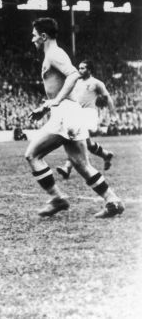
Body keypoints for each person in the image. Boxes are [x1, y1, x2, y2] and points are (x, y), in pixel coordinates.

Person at [24, 18, 123, 218]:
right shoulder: (52, 55)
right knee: (81, 163)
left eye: (34, 35)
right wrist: (45, 107)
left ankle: (57, 198)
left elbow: (73, 75)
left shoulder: (54, 54)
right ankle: (112, 201)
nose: (32, 39)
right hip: (70, 112)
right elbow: (59, 89)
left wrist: (56, 101)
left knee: (33, 155)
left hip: (65, 114)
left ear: (43, 36)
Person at [56, 59, 116, 178]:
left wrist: (113, 114)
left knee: (77, 139)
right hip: (77, 113)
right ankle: (106, 155)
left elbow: (107, 98)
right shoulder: (76, 82)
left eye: (83, 68)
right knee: (86, 143)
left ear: (89, 70)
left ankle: (67, 167)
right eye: (79, 68)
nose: (80, 70)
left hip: (89, 114)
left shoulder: (96, 83)